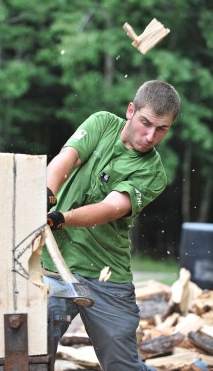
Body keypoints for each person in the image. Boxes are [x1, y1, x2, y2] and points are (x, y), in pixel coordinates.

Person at [42, 80, 180, 371]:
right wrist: (47, 194)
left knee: (123, 366)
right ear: (131, 111)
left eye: (162, 129)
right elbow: (66, 159)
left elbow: (111, 208)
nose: (150, 136)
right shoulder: (102, 123)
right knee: (32, 353)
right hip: (54, 266)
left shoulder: (154, 173)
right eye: (146, 123)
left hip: (107, 274)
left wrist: (61, 218)